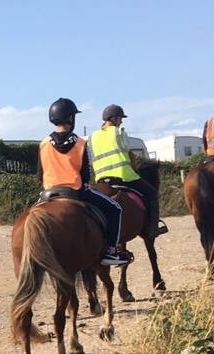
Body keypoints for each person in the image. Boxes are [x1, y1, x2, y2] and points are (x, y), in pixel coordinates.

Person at [37, 98, 132, 265]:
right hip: (76, 190)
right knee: (115, 208)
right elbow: (86, 175)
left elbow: (40, 174)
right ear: (71, 118)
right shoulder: (80, 142)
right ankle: (111, 251)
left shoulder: (43, 143)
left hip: (48, 193)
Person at [89, 104, 166, 238]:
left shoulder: (92, 137)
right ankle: (153, 228)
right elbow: (130, 155)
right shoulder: (119, 133)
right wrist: (135, 170)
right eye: (120, 118)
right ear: (113, 118)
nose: (121, 121)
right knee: (152, 194)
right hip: (124, 176)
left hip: (102, 180)